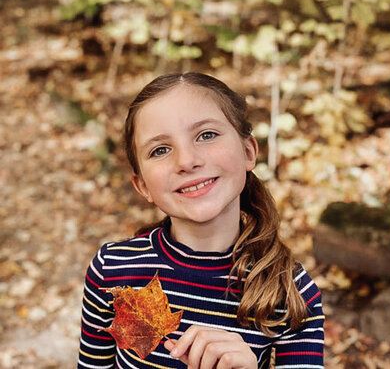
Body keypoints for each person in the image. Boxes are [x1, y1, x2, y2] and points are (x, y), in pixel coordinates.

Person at [77, 72, 324, 369]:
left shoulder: (292, 291)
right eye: (160, 150)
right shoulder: (112, 269)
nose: (186, 161)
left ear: (248, 152)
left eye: (206, 135)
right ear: (143, 186)